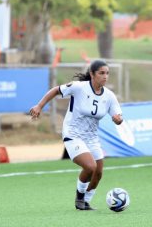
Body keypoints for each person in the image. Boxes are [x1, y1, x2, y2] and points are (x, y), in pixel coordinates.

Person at [30, 60, 123, 210]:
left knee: (98, 172)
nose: (105, 76)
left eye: (107, 73)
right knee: (90, 166)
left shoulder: (109, 96)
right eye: (101, 73)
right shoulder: (79, 87)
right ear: (92, 74)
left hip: (91, 137)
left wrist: (118, 119)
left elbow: (117, 116)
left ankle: (86, 201)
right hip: (73, 133)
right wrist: (39, 106)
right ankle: (79, 197)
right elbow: (55, 90)